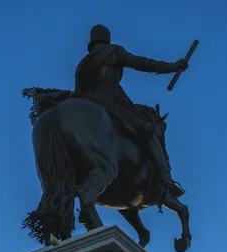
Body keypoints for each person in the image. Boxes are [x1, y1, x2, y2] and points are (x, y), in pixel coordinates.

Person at [75, 25, 188, 199]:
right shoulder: (114, 51)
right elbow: (142, 63)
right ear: (107, 39)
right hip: (112, 100)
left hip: (87, 102)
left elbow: (78, 93)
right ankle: (167, 181)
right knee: (147, 130)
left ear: (91, 41)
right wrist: (172, 67)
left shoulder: (82, 64)